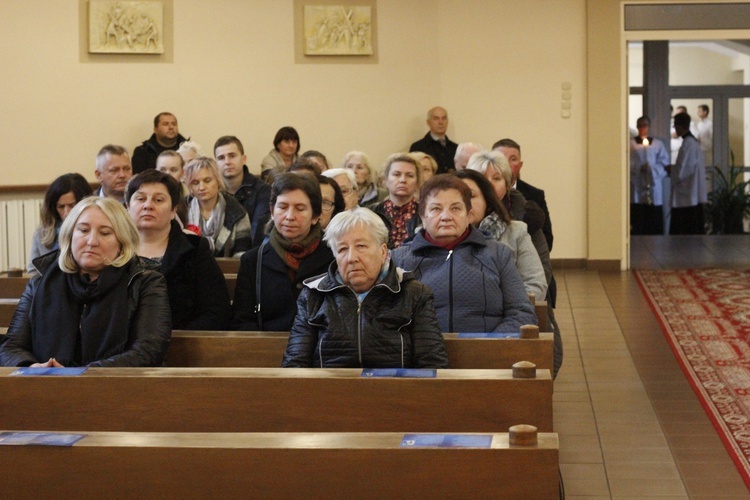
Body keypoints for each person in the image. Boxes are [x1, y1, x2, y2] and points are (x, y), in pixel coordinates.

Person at [0, 197, 171, 367]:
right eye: (83, 230)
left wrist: (82, 374)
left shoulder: (145, 281)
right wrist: (31, 367)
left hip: (115, 388)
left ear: (122, 242)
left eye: (105, 233)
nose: (92, 242)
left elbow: (148, 350)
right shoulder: (41, 282)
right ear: (69, 236)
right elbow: (11, 347)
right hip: (45, 385)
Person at [283, 208, 449, 368]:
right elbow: (295, 364)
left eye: (361, 246)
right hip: (331, 392)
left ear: (383, 252)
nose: (351, 258)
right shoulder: (313, 295)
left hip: (396, 393)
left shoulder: (414, 293)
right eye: (342, 249)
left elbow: (432, 364)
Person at [391, 175, 536, 333]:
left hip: (488, 353)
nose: (446, 217)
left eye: (455, 208)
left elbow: (521, 312)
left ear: (468, 215)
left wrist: (490, 345)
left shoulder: (497, 254)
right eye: (436, 209)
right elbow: (384, 317)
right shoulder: (399, 259)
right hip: (420, 354)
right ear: (423, 218)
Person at [126, 170, 231, 330]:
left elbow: (216, 311)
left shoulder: (195, 249)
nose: (148, 205)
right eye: (140, 199)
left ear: (173, 210)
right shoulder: (113, 249)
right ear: (128, 206)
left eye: (158, 200)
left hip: (183, 345)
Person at [231, 173, 334, 331]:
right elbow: (242, 321)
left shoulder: (333, 257)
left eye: (300, 209)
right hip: (266, 351)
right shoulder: (253, 260)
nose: (289, 216)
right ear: (272, 211)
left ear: (315, 216)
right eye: (283, 207)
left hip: (319, 351)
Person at [454, 169, 546, 301]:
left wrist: (497, 309)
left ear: (487, 200)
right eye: (457, 198)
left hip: (507, 315)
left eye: (471, 196)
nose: (464, 203)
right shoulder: (435, 237)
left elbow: (535, 286)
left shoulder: (515, 232)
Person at [184, 157, 253, 257]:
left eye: (207, 181)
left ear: (218, 181)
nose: (202, 187)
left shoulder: (238, 213)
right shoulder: (182, 210)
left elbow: (241, 257)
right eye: (195, 183)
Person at [494, 138, 554, 252]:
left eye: (513, 159)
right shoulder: (481, 194)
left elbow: (547, 240)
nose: (507, 164)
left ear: (520, 165)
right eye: (501, 159)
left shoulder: (535, 195)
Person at [27, 173, 93, 273]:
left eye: (72, 206)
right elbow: (33, 272)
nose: (66, 212)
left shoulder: (96, 232)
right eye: (61, 207)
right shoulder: (42, 233)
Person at [214, 135, 271, 247]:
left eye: (232, 156)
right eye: (221, 158)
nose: (227, 162)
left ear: (243, 159)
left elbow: (258, 233)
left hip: (250, 254)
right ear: (215, 163)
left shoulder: (263, 190)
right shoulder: (212, 192)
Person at [371, 153, 421, 249]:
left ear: (417, 182)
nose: (403, 180)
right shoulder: (371, 213)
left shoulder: (425, 214)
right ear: (386, 180)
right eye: (396, 174)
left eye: (409, 175)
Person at [629, 116, 670, 235]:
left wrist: (651, 169)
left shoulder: (658, 144)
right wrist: (638, 167)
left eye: (645, 125)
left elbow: (664, 163)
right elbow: (625, 162)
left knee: (653, 216)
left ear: (649, 126)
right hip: (637, 183)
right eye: (640, 125)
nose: (642, 128)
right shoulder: (630, 144)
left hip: (653, 183)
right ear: (637, 127)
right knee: (638, 212)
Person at [669, 111, 707, 234]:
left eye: (675, 125)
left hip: (687, 193)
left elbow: (683, 170)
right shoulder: (691, 142)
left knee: (685, 229)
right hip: (690, 191)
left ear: (679, 126)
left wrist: (670, 169)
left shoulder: (688, 144)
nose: (675, 128)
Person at [409, 106, 458, 174]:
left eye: (444, 118)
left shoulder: (456, 148)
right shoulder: (418, 147)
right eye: (436, 119)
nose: (441, 122)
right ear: (428, 122)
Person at [156, 150, 189, 226]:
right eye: (162, 170)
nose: (167, 174)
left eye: (173, 170)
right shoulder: (149, 199)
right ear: (156, 171)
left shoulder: (190, 199)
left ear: (182, 172)